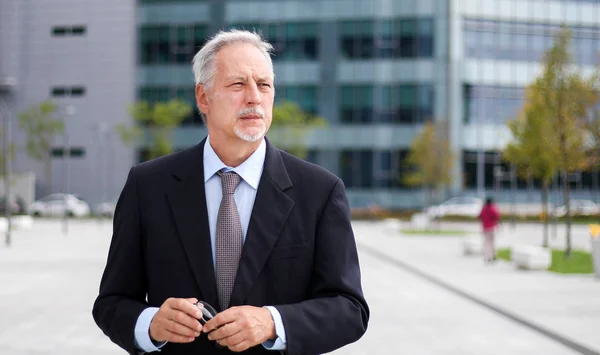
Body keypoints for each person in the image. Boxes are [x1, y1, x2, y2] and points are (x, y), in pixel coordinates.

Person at [92, 29, 369, 355]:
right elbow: (111, 302)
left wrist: (273, 322)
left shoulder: (320, 191)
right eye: (238, 84)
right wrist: (150, 324)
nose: (254, 96)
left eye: (264, 85)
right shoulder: (148, 186)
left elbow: (350, 309)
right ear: (203, 97)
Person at [478, 197, 500, 264]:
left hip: (485, 228)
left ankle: (487, 256)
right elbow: (497, 216)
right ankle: (492, 256)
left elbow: (479, 216)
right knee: (492, 242)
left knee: (486, 243)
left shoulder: (484, 208)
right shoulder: (492, 208)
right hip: (491, 227)